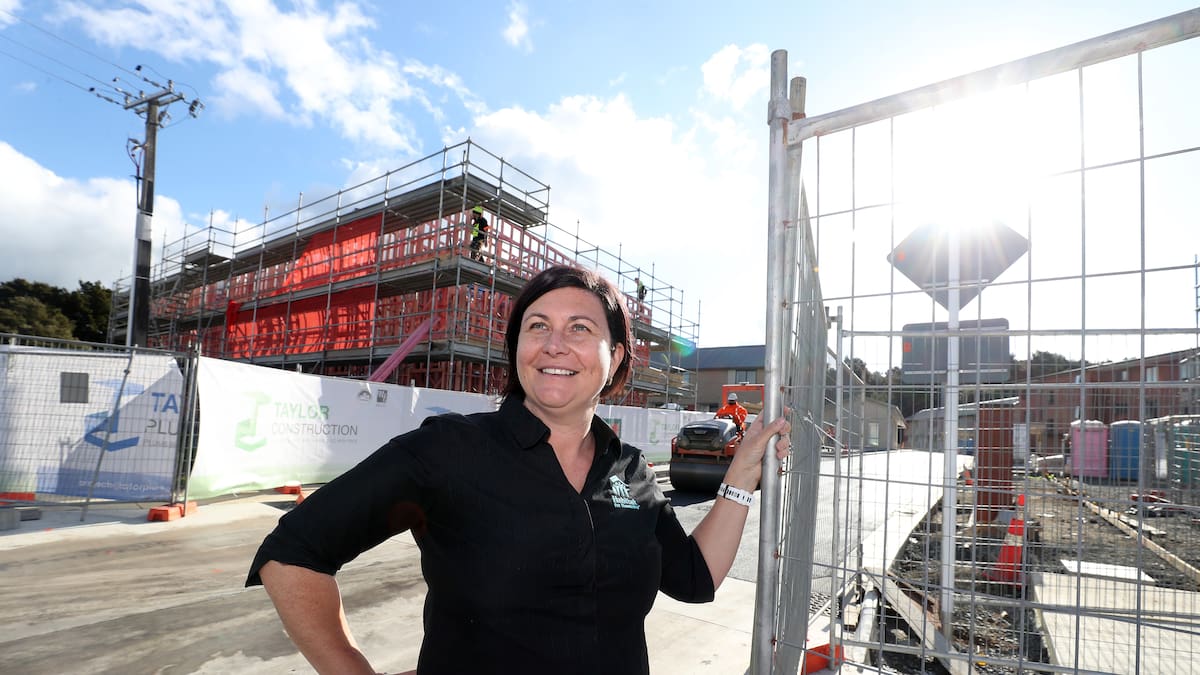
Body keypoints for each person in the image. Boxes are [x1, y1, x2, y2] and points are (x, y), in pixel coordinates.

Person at [245, 264, 791, 675]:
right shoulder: (450, 451)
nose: (555, 343)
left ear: (618, 356)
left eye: (580, 328)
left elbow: (694, 580)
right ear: (517, 348)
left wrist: (741, 475)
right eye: (537, 326)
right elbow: (292, 553)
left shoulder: (629, 469)